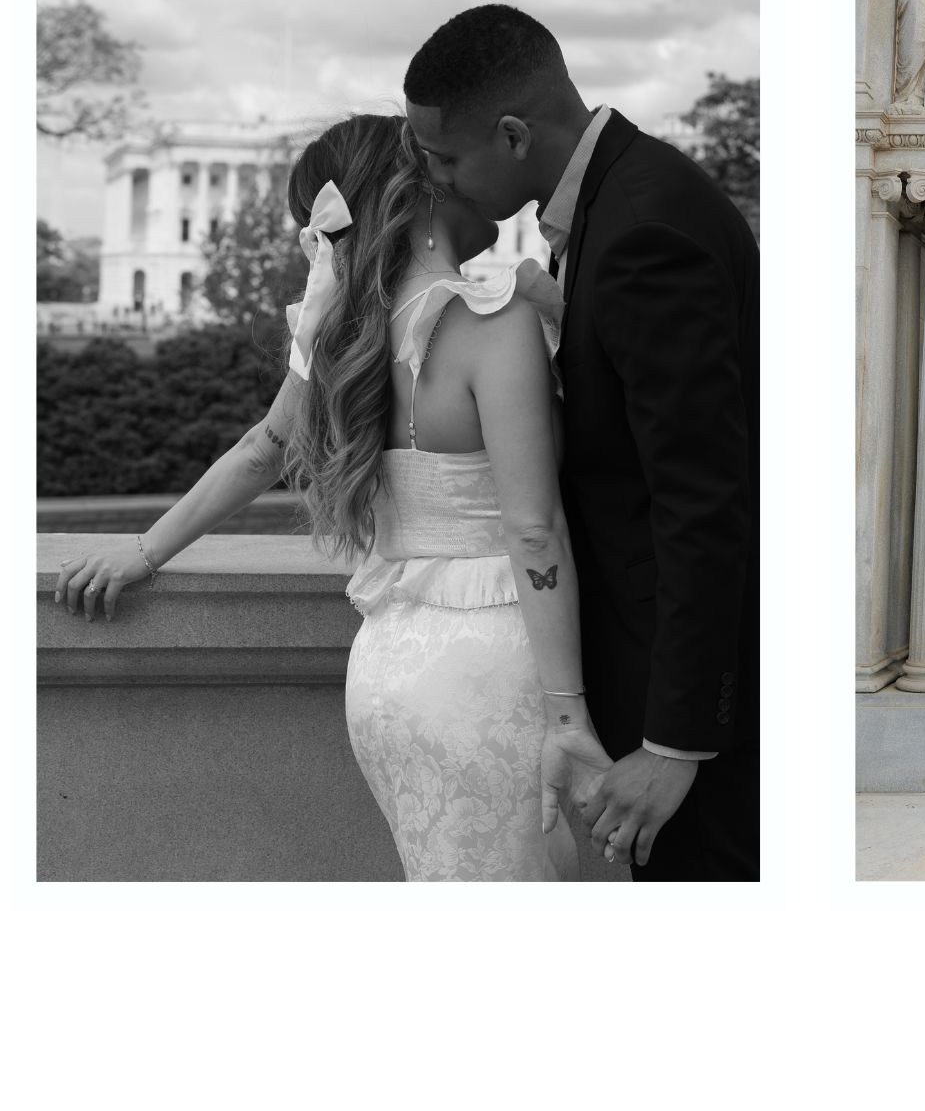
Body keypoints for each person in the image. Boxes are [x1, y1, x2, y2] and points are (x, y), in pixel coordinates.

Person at [52, 113, 612, 881]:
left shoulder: (344, 334)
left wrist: (146, 551)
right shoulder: (493, 320)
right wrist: (568, 711)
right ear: (422, 189)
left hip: (386, 668)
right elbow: (536, 534)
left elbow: (262, 450)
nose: (471, 175)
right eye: (447, 163)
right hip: (492, 663)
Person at [404, 4, 759, 882]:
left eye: (446, 159)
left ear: (515, 135)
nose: (438, 182)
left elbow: (704, 499)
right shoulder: (626, 199)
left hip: (685, 719)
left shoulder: (643, 230)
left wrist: (675, 745)